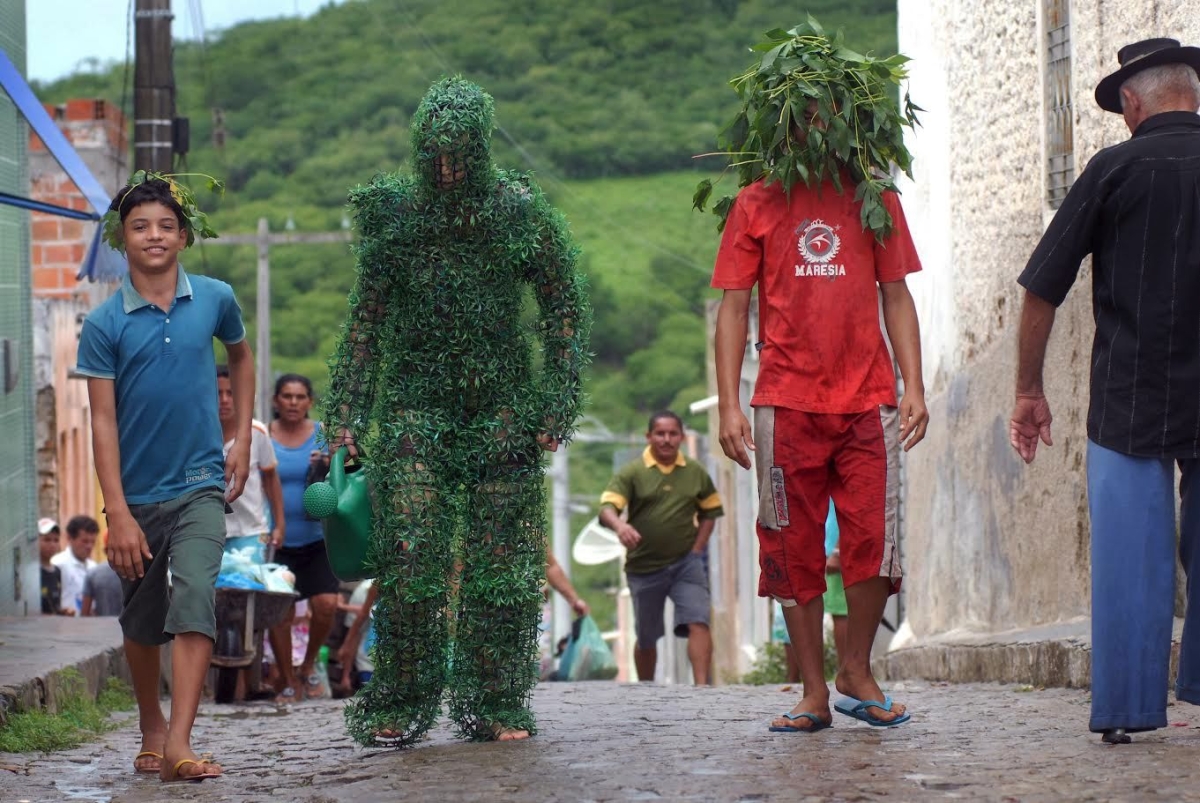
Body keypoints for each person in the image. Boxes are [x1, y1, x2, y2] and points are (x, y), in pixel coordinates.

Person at [323, 77, 590, 746]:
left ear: (480, 148)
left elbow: (562, 305)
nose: (446, 167)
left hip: (503, 410)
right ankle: (401, 698)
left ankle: (495, 702)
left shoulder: (520, 213)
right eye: (436, 154)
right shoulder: (395, 217)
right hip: (414, 407)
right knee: (411, 556)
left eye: (459, 153)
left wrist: (556, 400)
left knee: (502, 566)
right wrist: (346, 412)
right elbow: (366, 322)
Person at [712, 57, 927, 731]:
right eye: (803, 112)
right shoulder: (756, 202)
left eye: (828, 111)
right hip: (785, 405)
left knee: (875, 541)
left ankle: (855, 670)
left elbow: (896, 293)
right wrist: (729, 403)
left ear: (849, 118)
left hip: (868, 401)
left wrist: (913, 384)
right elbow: (733, 308)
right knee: (789, 542)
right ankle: (811, 689)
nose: (816, 124)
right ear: (781, 122)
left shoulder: (874, 198)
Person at [1010, 38, 1200, 746]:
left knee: (1129, 557)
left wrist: (1028, 389)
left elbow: (1042, 286)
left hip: (1128, 394)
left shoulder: (1113, 169)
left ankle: (1126, 708)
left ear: (1131, 102)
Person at [76, 175, 252, 781]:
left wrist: (241, 438)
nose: (154, 235)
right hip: (136, 495)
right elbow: (102, 421)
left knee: (197, 593)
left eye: (166, 225)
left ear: (185, 236)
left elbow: (241, 356)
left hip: (201, 481)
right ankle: (151, 722)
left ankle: (179, 738)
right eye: (140, 226)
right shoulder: (104, 324)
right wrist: (117, 512)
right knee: (142, 620)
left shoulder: (215, 298)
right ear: (121, 239)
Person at [599, 411, 723, 685]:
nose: (666, 439)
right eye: (660, 434)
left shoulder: (695, 472)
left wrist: (697, 549)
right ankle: (647, 690)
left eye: (672, 434)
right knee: (646, 635)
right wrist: (620, 527)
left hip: (686, 563)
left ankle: (702, 688)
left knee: (698, 620)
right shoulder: (632, 472)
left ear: (681, 437)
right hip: (644, 567)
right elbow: (607, 508)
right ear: (649, 436)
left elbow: (711, 512)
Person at [266, 373, 338, 703]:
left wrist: (329, 463)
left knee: (326, 605)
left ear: (309, 401)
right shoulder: (264, 435)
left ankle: (308, 665)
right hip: (277, 541)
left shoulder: (323, 435)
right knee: (279, 613)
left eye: (299, 397)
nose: (293, 402)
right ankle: (287, 679)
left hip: (317, 538)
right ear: (276, 400)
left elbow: (351, 472)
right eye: (287, 396)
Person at [218, 365, 284, 564]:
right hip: (208, 531)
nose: (224, 400)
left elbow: (271, 478)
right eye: (217, 393)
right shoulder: (197, 432)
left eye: (231, 393)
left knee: (249, 580)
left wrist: (279, 525)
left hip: (252, 530)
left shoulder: (257, 432)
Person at [776, 502, 847, 685]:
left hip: (832, 548)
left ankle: (846, 673)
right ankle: (803, 679)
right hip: (813, 546)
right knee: (798, 605)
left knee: (840, 611)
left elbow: (847, 504)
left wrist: (838, 551)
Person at [51, 515, 99, 615]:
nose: (89, 546)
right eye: (85, 541)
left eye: (93, 542)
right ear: (70, 538)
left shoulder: (94, 568)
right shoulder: (58, 565)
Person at [38, 518, 71, 616]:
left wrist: (63, 612)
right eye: (47, 540)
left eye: (56, 540)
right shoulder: (32, 572)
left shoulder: (57, 571)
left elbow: (55, 605)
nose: (52, 544)